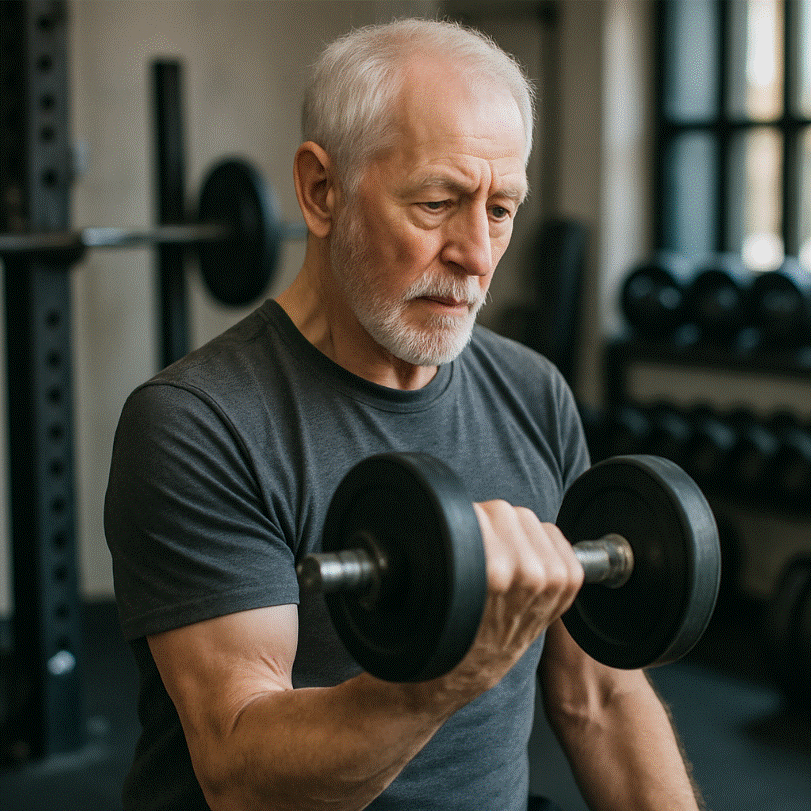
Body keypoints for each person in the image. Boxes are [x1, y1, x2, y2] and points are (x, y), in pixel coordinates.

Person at [105, 18, 705, 811]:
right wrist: (452, 669)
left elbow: (597, 697)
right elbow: (241, 773)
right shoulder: (198, 424)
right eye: (436, 202)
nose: (477, 254)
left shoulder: (533, 392)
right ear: (323, 191)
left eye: (499, 209)